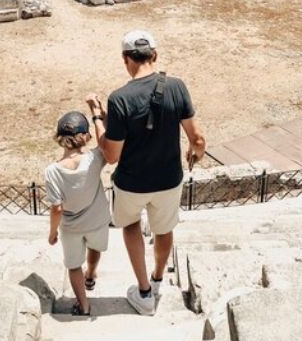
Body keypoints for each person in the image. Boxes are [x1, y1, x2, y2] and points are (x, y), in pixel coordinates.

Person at [89, 30, 206, 316]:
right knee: (164, 229)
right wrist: (195, 152)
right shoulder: (177, 87)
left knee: (130, 226)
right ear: (154, 55)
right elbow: (198, 139)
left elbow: (112, 154)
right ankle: (156, 279)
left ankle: (143, 293)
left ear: (125, 59)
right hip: (168, 179)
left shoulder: (119, 99)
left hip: (132, 183)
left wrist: (97, 117)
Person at [45, 109, 111, 317]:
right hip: (97, 219)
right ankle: (90, 274)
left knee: (73, 265)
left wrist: (52, 232)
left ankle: (83, 306)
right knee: (95, 247)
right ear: (86, 137)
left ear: (59, 138)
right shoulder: (95, 157)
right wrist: (100, 116)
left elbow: (56, 208)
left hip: (71, 227)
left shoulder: (52, 171)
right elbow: (108, 141)